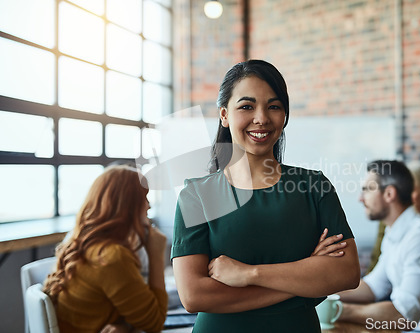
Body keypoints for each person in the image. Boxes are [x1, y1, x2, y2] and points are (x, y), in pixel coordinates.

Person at [171, 59, 360, 332]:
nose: (261, 118)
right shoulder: (197, 195)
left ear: (284, 115)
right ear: (224, 114)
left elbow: (346, 273)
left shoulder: (314, 186)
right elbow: (194, 296)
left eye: (274, 106)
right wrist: (305, 279)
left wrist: (248, 274)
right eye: (247, 106)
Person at [337, 160, 420, 332]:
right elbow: (373, 287)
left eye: (368, 189)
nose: (360, 198)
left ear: (389, 194)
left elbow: (403, 316)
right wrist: (321, 296)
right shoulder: (395, 231)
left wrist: (338, 310)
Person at [43, 165, 168, 333]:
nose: (149, 206)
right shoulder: (112, 257)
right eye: (143, 198)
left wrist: (124, 326)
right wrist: (156, 256)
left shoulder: (82, 243)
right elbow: (155, 324)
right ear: (127, 206)